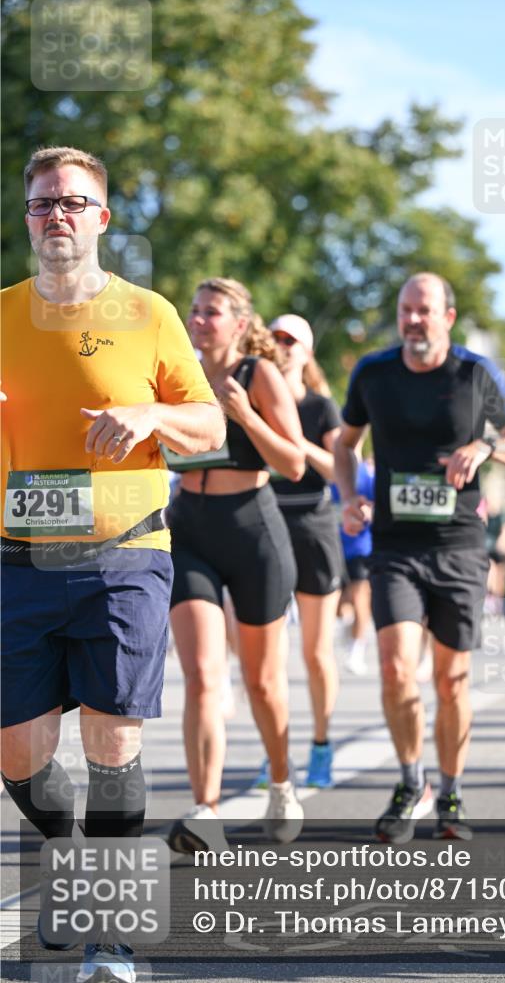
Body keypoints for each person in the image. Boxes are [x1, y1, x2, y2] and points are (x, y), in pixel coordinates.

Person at [0, 146, 224, 982]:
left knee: (112, 737)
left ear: (101, 217)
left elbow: (210, 427)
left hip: (124, 555)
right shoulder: (2, 313)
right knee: (18, 753)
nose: (55, 214)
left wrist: (147, 415)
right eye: (42, 203)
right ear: (28, 217)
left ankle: (111, 937)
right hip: (18, 559)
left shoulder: (148, 313)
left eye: (71, 202)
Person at [334, 272, 505, 843]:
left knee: (451, 680)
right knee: (396, 667)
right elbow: (344, 444)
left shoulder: (475, 372)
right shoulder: (373, 372)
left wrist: (485, 445)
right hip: (395, 545)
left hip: (459, 546)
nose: (413, 320)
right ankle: (410, 782)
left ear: (447, 317)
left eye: (424, 310)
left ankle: (451, 790)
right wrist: (349, 497)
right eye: (406, 310)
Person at [165, 279, 306, 853]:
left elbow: (294, 463)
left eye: (212, 312)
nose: (199, 320)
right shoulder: (177, 374)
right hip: (189, 529)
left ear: (240, 323)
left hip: (252, 530)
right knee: (202, 674)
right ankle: (206, 810)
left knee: (262, 683)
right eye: (195, 311)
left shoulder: (259, 374)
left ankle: (282, 782)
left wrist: (246, 415)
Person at [266, 313, 344, 788]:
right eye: (273, 337)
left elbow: (341, 469)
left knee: (315, 653)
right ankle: (275, 756)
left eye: (290, 339)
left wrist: (297, 446)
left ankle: (321, 746)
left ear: (307, 351)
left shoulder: (321, 407)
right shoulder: (256, 400)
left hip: (314, 527)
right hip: (267, 525)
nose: (281, 345)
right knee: (268, 657)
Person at [332, 447, 375, 676]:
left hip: (360, 546)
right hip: (334, 547)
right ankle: (350, 627)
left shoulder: (367, 475)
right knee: (339, 605)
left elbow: (379, 504)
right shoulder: (331, 472)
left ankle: (357, 651)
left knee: (360, 598)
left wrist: (367, 511)